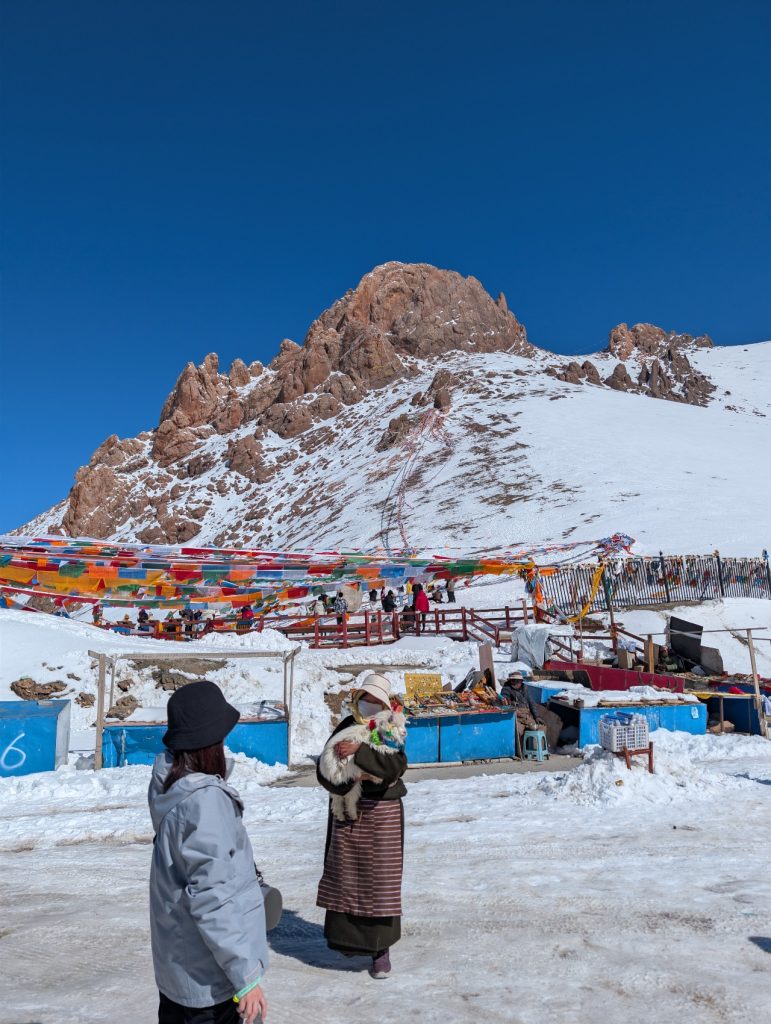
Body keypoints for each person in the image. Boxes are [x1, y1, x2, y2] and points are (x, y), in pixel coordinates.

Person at [148, 681, 268, 1024]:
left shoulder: (170, 783)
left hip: (180, 967)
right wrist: (246, 977)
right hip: (210, 979)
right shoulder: (204, 802)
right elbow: (213, 897)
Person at [316, 673, 407, 980]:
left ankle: (381, 950)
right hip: (348, 809)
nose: (369, 705)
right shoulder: (346, 725)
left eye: (375, 701)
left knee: (379, 883)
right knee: (346, 877)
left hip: (381, 811)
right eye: (365, 699)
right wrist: (348, 779)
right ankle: (348, 942)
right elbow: (325, 767)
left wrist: (360, 752)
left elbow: (395, 766)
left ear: (384, 704)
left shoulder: (388, 727)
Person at [500, 672, 562, 751]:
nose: (517, 683)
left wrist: (537, 716)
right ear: (511, 681)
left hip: (527, 716)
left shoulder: (524, 688)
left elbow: (531, 703)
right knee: (519, 732)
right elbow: (504, 702)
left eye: (519, 681)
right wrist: (511, 706)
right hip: (515, 717)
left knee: (541, 727)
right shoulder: (506, 689)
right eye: (514, 681)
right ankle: (520, 752)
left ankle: (538, 750)